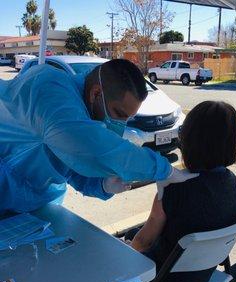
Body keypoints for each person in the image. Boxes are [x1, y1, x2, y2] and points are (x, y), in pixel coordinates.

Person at [0, 59, 197, 215]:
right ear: (96, 93)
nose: (120, 124)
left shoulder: (83, 112)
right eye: (118, 114)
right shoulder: (49, 88)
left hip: (30, 204)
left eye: (127, 118)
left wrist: (102, 185)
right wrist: (164, 170)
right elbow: (94, 148)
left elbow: (71, 166)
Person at [128, 101, 236, 282]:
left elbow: (143, 242)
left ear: (188, 139)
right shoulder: (231, 181)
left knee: (127, 245)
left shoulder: (173, 188)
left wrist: (124, 248)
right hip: (202, 277)